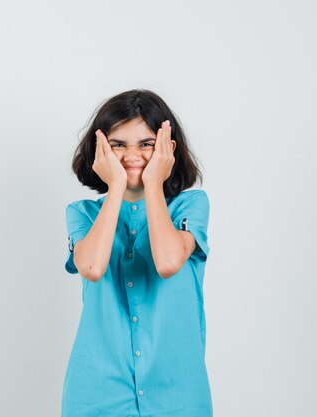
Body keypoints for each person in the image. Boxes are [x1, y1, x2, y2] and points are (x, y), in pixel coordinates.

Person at [62, 89, 213, 417]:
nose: (132, 155)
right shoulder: (83, 214)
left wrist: (153, 184)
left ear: (167, 149)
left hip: (178, 393)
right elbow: (91, 266)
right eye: (118, 144)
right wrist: (116, 186)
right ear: (100, 151)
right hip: (97, 393)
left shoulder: (190, 206)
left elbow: (169, 261)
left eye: (146, 144)